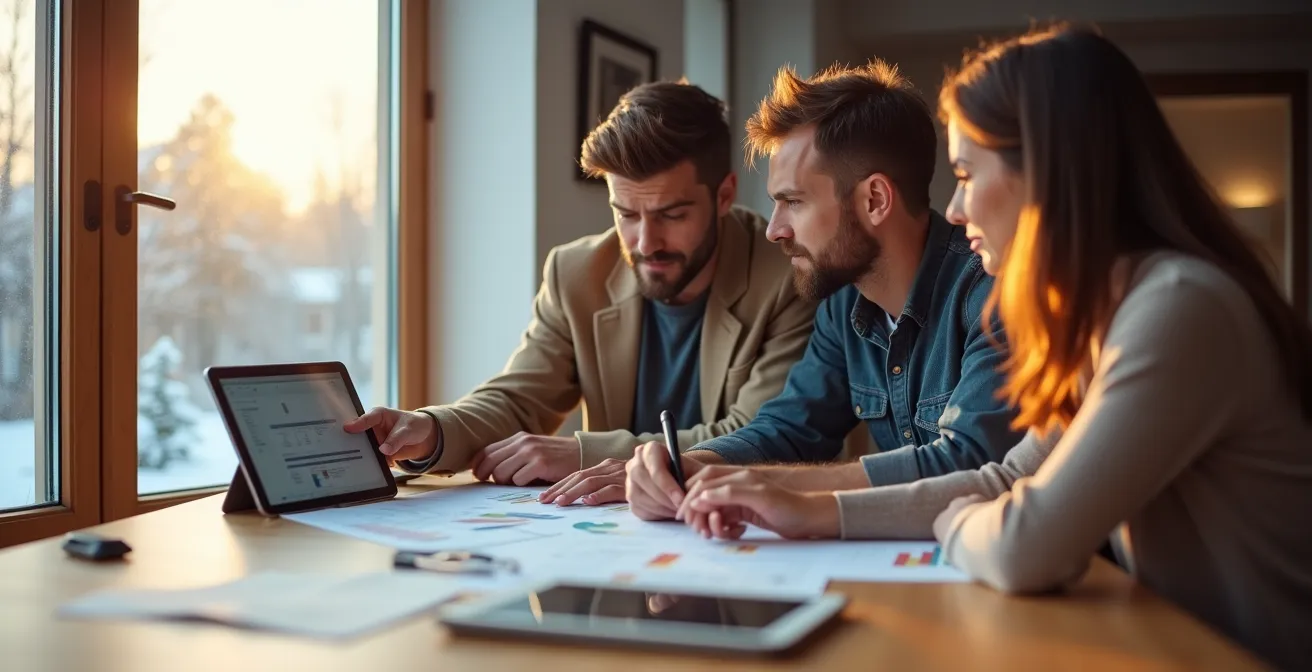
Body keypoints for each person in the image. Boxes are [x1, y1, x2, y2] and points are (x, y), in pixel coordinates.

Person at [675, 26, 1312, 670]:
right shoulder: (1107, 320)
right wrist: (805, 512)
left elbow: (1022, 543)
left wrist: (955, 522)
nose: (953, 208)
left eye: (966, 173)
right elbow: (1002, 481)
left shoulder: (1179, 308)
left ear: (1045, 173)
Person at [343, 82, 814, 500]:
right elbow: (521, 400)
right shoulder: (575, 271)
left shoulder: (791, 273)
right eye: (626, 214)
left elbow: (758, 435)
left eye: (672, 214)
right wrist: (431, 429)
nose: (646, 242)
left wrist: (582, 454)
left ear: (724, 195)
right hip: (622, 534)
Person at [621, 61, 1027, 521]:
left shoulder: (992, 292)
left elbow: (967, 463)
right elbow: (789, 428)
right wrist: (693, 465)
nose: (774, 229)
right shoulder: (844, 303)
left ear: (874, 199)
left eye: (793, 202)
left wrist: (763, 485)